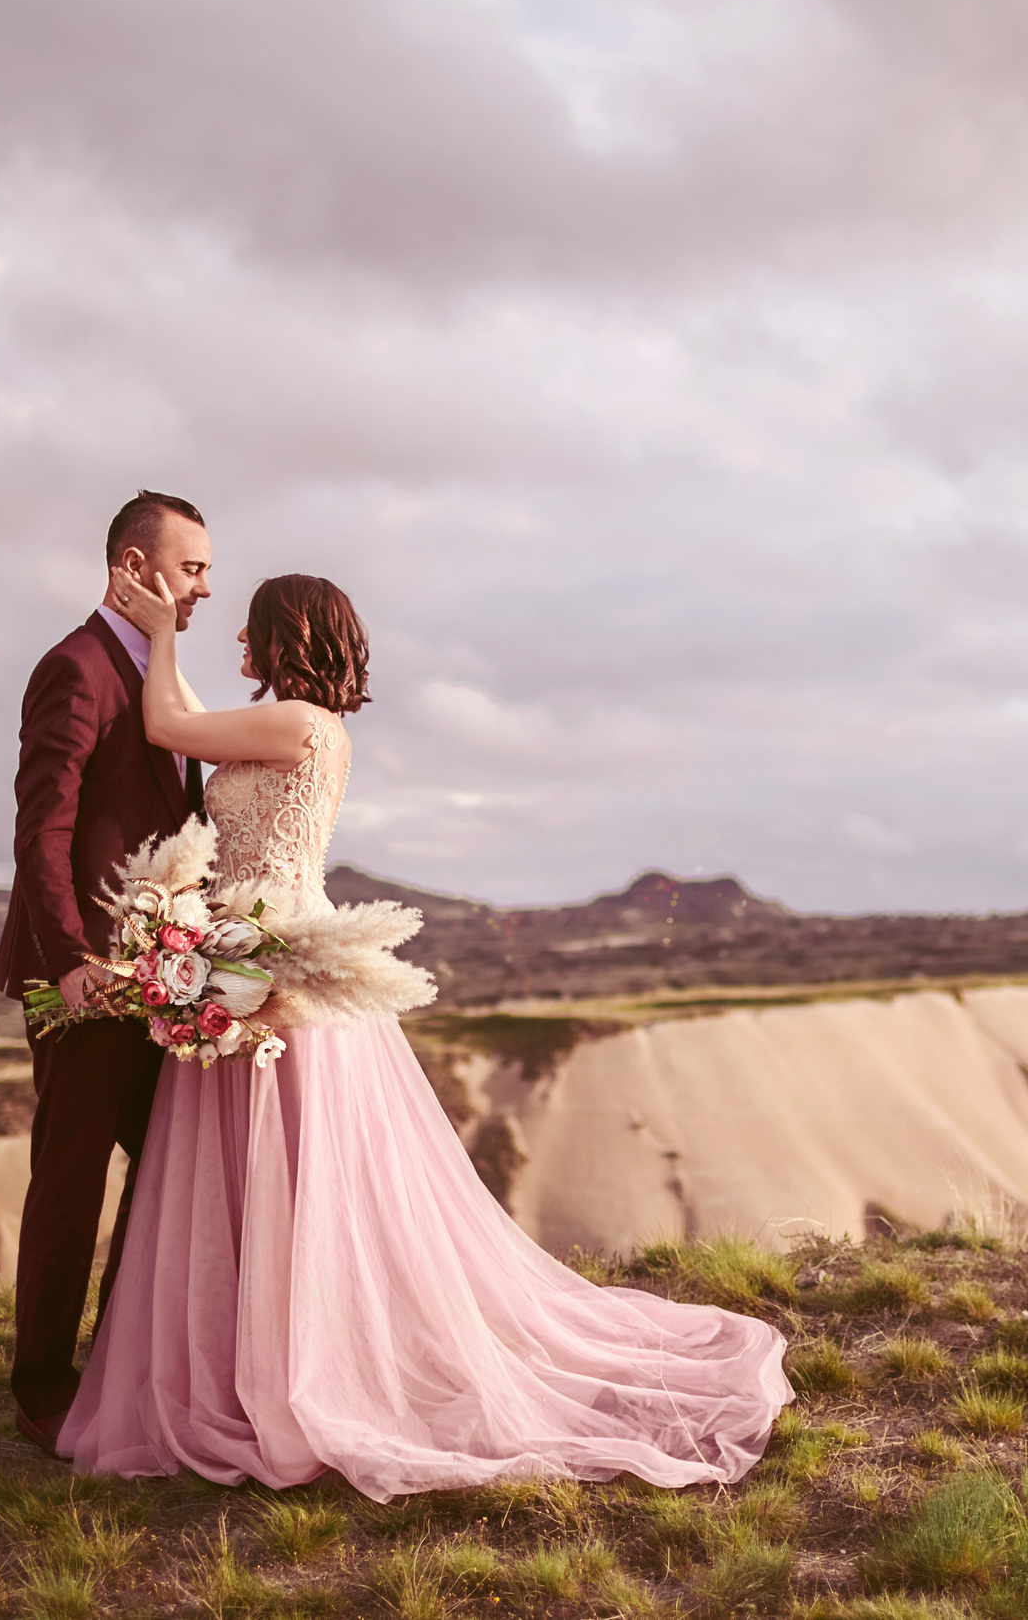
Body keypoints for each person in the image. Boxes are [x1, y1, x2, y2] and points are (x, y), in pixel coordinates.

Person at [56, 566, 791, 1495]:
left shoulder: (301, 726)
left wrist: (159, 634)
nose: (235, 641)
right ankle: (256, 1361)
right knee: (257, 1172)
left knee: (298, 1171)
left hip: (275, 966)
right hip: (241, 956)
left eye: (251, 629)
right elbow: (192, 721)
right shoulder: (281, 725)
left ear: (286, 638)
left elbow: (168, 723)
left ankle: (300, 1368)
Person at [0, 491, 215, 1454]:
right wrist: (72, 963)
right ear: (136, 564)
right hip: (83, 980)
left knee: (167, 1170)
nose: (207, 584)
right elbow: (40, 829)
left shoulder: (159, 672)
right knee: (71, 1179)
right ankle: (42, 1388)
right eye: (193, 566)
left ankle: (122, 1362)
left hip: (157, 978)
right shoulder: (74, 668)